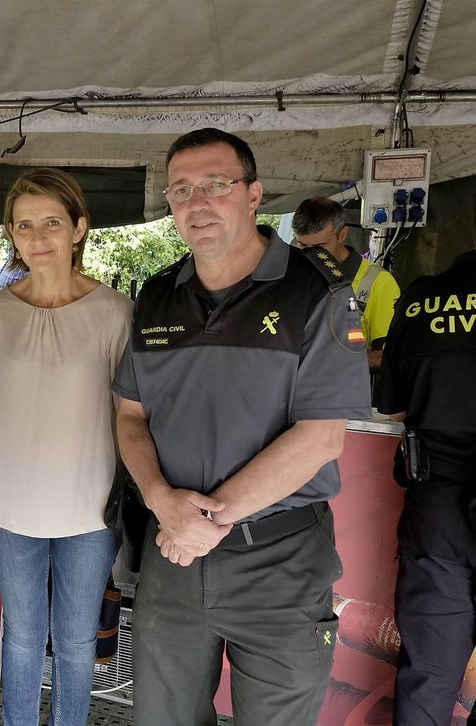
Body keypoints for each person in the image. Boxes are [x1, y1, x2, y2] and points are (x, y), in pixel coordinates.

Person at [113, 127, 371, 726]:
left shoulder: (318, 295)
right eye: (181, 190)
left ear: (255, 195)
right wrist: (162, 503)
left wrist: (207, 519)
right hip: (172, 557)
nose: (196, 202)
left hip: (278, 561)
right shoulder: (155, 297)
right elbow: (130, 415)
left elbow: (320, 437)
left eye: (215, 185)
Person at [0, 167, 130, 725]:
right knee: (20, 635)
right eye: (24, 226)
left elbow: (127, 414)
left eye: (51, 223)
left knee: (74, 640)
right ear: (11, 236)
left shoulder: (115, 312)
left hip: (89, 506)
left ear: (79, 228)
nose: (37, 238)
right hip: (12, 502)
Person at [376, 248, 476, 726]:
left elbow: (392, 410)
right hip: (436, 504)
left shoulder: (420, 302)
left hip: (436, 508)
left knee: (429, 676)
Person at [293, 196, 401, 372]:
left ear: (342, 234)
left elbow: (386, 355)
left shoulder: (378, 282)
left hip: (344, 392)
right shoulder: (293, 275)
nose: (310, 254)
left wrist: (333, 365)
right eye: (302, 245)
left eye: (319, 247)